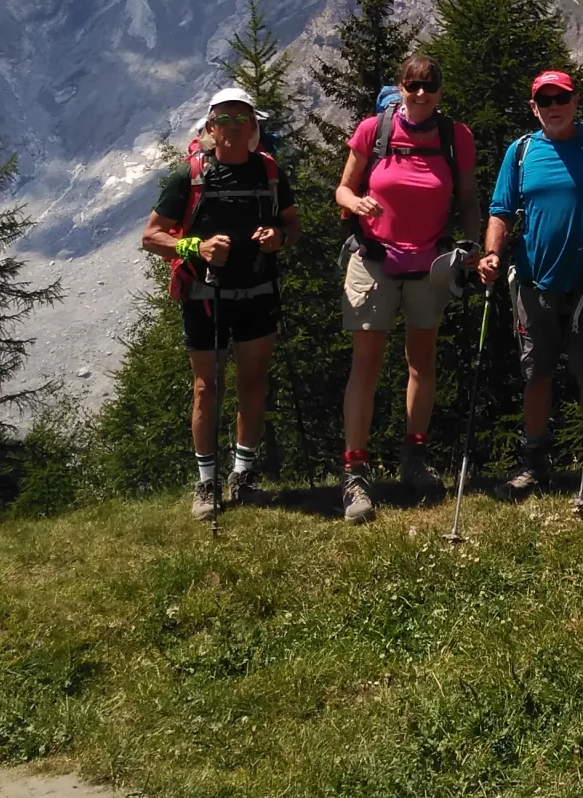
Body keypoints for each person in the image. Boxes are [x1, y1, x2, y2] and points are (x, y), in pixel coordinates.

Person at [332, 53, 480, 524]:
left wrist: (472, 245)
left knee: (423, 364)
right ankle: (356, 472)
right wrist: (357, 203)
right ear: (400, 86)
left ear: (440, 90)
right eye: (413, 85)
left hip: (429, 262)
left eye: (429, 86)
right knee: (366, 367)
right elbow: (343, 189)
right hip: (373, 259)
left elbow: (469, 198)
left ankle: (414, 458)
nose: (420, 94)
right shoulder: (372, 130)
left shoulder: (456, 137)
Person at [477, 70, 583, 509]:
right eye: (544, 101)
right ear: (534, 107)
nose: (553, 107)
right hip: (533, 281)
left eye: (560, 98)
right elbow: (501, 210)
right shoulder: (522, 151)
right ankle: (534, 464)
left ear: (574, 99)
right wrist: (492, 254)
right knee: (537, 372)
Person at [142, 88, 298, 520]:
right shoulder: (189, 175)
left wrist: (279, 238)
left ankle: (242, 477)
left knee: (253, 383)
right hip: (204, 298)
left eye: (241, 119)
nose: (232, 127)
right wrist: (196, 248)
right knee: (206, 389)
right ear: (210, 128)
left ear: (253, 127)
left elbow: (292, 224)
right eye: (223, 120)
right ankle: (207, 483)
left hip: (257, 292)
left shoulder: (268, 173)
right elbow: (151, 236)